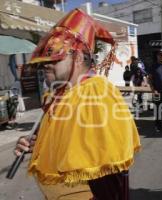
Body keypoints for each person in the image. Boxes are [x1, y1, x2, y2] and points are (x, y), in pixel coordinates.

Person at [13, 9, 141, 200]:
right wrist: (34, 143)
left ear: (79, 58)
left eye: (55, 57)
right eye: (46, 57)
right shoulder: (59, 94)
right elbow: (64, 143)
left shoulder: (96, 92)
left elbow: (107, 175)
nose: (46, 63)